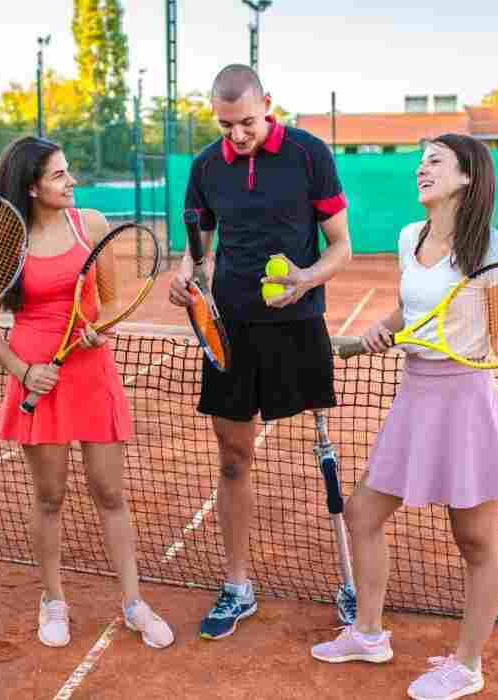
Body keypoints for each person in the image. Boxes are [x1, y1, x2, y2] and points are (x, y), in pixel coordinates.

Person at [309, 134, 498, 700]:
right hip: (414, 396)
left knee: (474, 539)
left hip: (467, 402)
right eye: (421, 161)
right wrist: (381, 328)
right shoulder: (410, 237)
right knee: (362, 512)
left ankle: (467, 665)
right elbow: (412, 310)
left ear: (467, 176)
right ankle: (368, 633)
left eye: (435, 161)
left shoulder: (494, 248)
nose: (421, 169)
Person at [168, 64, 354, 640]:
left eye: (246, 122)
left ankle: (351, 583)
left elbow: (341, 246)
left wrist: (306, 278)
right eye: (226, 125)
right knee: (232, 460)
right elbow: (198, 250)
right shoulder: (205, 167)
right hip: (229, 331)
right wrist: (185, 276)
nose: (238, 134)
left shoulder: (308, 154)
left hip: (298, 323)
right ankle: (237, 586)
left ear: (267, 104)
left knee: (324, 451)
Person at [0, 136, 173, 650]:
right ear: (31, 186)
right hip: (36, 377)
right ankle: (53, 599)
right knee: (49, 497)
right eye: (59, 175)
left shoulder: (92, 226)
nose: (72, 181)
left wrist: (98, 330)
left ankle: (134, 601)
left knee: (110, 492)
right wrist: (23, 372)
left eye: (68, 171)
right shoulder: (5, 241)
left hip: (91, 374)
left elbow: (109, 302)